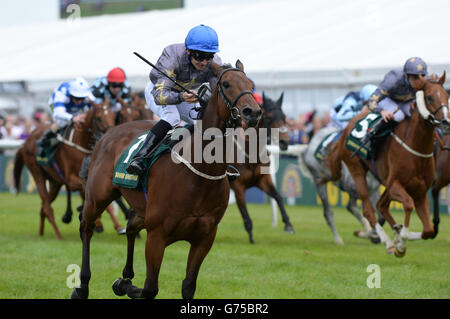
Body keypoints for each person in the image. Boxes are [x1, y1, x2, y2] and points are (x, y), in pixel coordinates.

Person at [126, 24, 222, 175]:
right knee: (172, 117)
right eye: (199, 55)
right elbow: (160, 96)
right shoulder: (172, 56)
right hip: (158, 91)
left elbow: (218, 90)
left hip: (183, 93)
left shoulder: (214, 62)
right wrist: (181, 97)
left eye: (208, 56)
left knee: (204, 123)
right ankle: (139, 157)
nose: (204, 62)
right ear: (188, 51)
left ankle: (210, 166)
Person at [360, 57, 428, 149]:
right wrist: (382, 111)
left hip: (406, 101)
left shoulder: (425, 80)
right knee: (399, 116)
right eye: (415, 77)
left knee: (418, 114)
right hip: (388, 99)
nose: (420, 80)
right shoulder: (393, 80)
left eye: (422, 76)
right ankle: (371, 135)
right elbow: (372, 101)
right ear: (406, 76)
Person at [36, 77, 94, 158]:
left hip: (72, 109)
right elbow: (58, 113)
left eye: (82, 98)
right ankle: (44, 139)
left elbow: (97, 109)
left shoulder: (88, 95)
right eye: (76, 98)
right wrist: (72, 118)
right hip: (55, 106)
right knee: (62, 122)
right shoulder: (62, 93)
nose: (79, 101)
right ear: (71, 94)